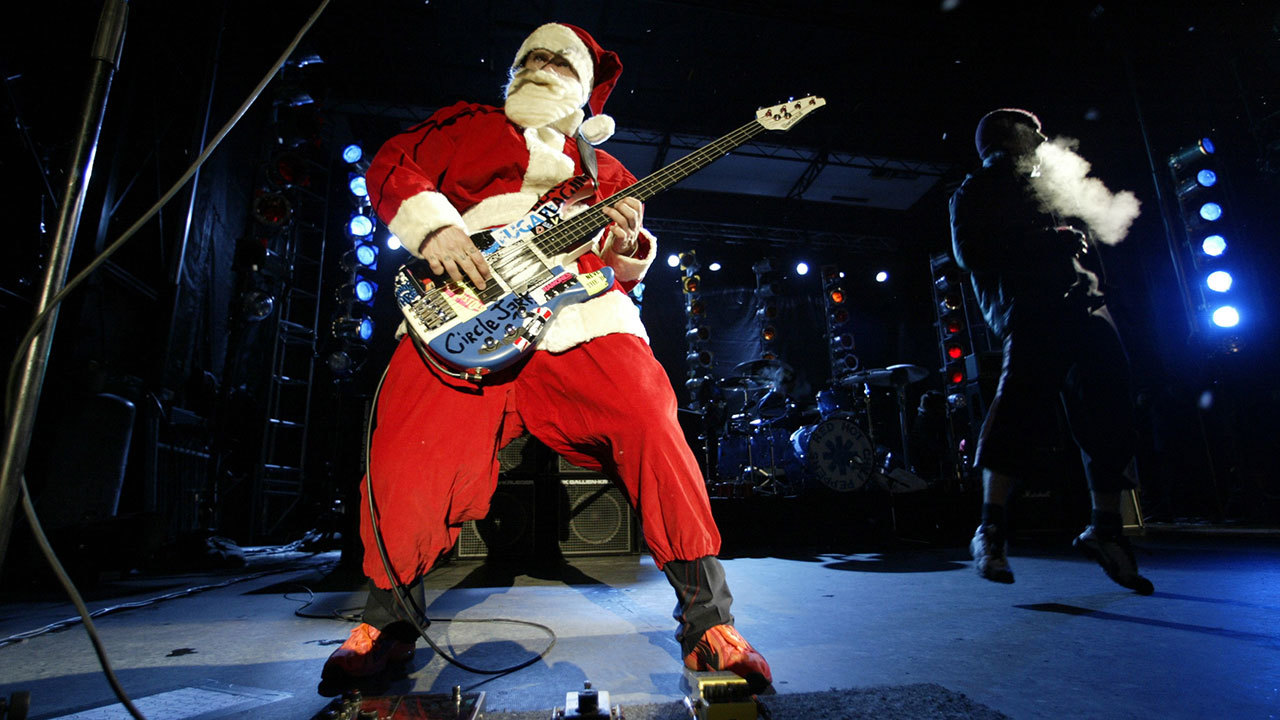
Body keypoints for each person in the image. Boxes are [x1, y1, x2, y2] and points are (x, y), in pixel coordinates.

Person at [321, 22, 772, 691]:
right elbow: (391, 162)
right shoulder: (463, 125)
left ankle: (708, 620)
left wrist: (630, 251)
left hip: (578, 314)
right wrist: (437, 225)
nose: (538, 65)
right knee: (408, 442)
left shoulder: (607, 172)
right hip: (467, 307)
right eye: (529, 56)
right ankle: (386, 624)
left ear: (584, 91)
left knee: (650, 416)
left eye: (556, 61)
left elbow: (620, 266)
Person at [948, 108, 1154, 595]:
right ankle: (991, 529)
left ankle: (1106, 531)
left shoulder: (1053, 187)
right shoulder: (977, 189)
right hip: (1033, 311)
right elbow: (969, 253)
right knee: (1017, 413)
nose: (1043, 136)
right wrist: (1044, 239)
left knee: (1112, 413)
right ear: (1007, 137)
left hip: (1087, 309)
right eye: (1032, 129)